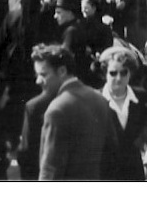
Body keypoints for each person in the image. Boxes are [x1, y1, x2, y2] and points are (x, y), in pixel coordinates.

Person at [31, 44, 118, 180]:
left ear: (62, 71)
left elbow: (50, 170)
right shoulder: (99, 99)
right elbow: (111, 154)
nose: (38, 81)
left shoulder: (57, 110)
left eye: (43, 74)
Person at [98, 45, 147, 180]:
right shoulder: (95, 100)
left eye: (124, 73)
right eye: (113, 73)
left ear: (130, 74)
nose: (118, 78)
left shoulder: (141, 98)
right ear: (105, 73)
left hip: (133, 170)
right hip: (103, 172)